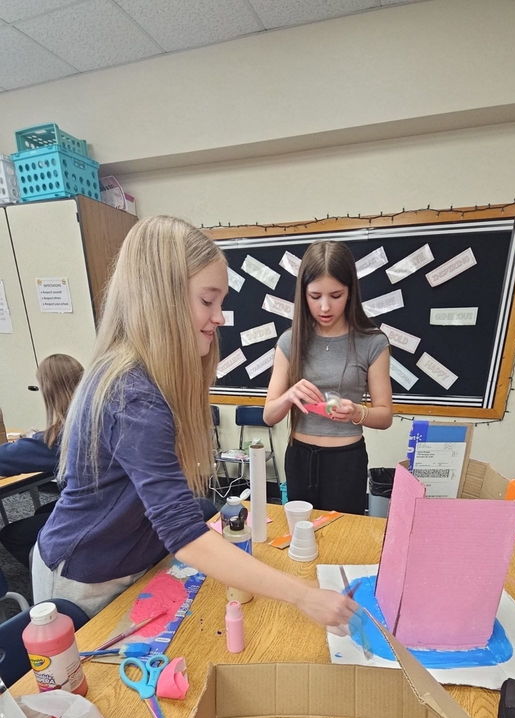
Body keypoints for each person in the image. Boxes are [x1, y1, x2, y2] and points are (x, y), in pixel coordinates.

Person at [32, 216, 355, 631]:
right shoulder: (133, 394)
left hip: (131, 558)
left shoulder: (150, 379)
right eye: (208, 301)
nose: (220, 317)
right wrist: (304, 596)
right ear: (160, 299)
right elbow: (183, 532)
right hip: (87, 575)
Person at [264, 240, 394, 515]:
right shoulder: (290, 341)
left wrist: (357, 412)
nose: (325, 307)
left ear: (350, 293)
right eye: (315, 296)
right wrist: (289, 396)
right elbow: (269, 415)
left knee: (344, 539)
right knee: (301, 536)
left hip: (346, 460)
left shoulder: (373, 342)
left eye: (336, 295)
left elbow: (385, 416)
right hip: (299, 457)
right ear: (303, 294)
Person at [0, 354, 84, 567]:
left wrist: (32, 440)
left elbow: (5, 458)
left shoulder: (58, 438)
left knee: (12, 534)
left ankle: (50, 574)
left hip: (87, 516)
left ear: (49, 392)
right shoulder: (91, 420)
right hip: (110, 506)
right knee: (42, 512)